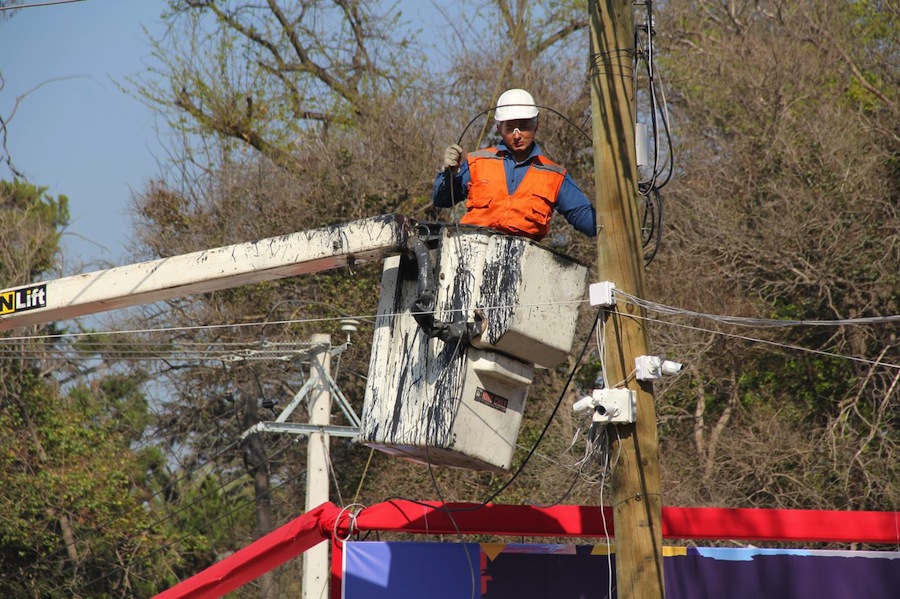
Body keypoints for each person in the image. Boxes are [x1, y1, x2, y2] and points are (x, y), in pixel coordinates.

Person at [432, 88, 596, 241]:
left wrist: (616, 207)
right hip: (471, 254)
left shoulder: (554, 176)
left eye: (524, 126)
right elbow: (441, 199)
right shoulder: (478, 162)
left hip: (523, 262)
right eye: (510, 128)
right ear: (499, 128)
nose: (517, 135)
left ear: (536, 125)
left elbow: (589, 222)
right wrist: (450, 173)